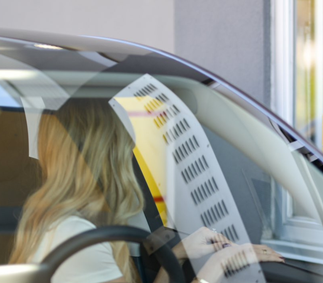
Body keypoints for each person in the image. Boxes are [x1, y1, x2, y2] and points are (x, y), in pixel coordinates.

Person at [9, 98, 282, 283]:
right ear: (109, 157)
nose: (129, 160)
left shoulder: (59, 223)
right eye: (126, 150)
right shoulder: (76, 237)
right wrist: (214, 269)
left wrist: (176, 256)